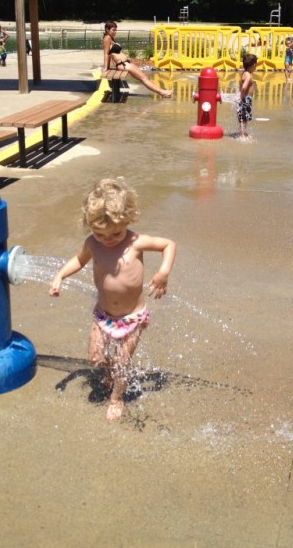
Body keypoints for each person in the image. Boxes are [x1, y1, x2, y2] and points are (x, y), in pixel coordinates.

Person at [49, 178, 177, 422]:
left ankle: (117, 397)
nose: (108, 239)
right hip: (102, 315)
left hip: (132, 318)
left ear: (128, 220)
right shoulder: (92, 244)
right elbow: (78, 260)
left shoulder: (135, 242)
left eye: (115, 233)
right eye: (100, 233)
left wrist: (163, 273)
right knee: (94, 358)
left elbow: (168, 245)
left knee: (121, 361)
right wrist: (60, 276)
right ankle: (109, 374)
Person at [103, 21, 172, 98]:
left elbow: (110, 53)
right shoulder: (107, 38)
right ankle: (163, 93)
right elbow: (106, 54)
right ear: (107, 29)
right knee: (143, 78)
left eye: (116, 30)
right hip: (123, 64)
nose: (115, 32)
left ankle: (163, 92)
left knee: (143, 78)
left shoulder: (111, 38)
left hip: (125, 63)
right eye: (113, 30)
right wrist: (106, 68)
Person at [237, 53, 258, 139]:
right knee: (245, 117)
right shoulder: (248, 76)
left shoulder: (244, 73)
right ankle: (242, 134)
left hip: (244, 98)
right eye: (256, 65)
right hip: (246, 98)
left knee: (243, 116)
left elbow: (241, 85)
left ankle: (244, 133)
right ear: (253, 65)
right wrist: (242, 96)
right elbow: (244, 87)